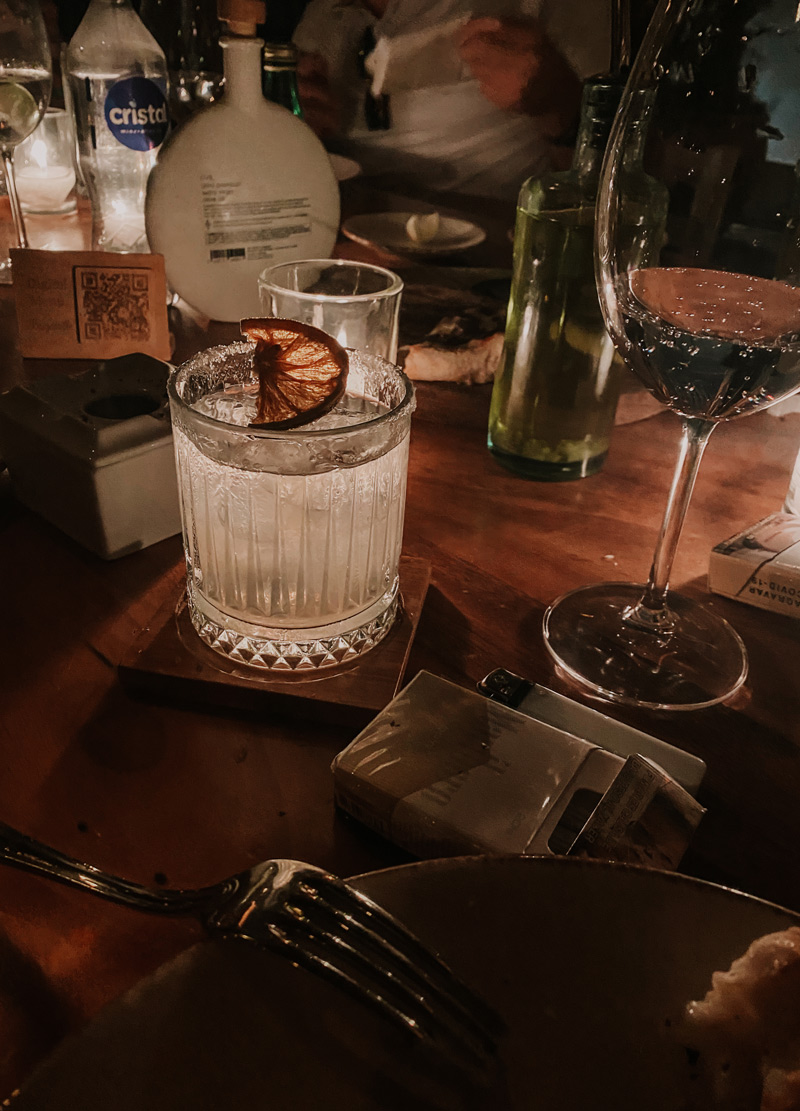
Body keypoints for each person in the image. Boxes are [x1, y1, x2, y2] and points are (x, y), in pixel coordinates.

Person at [293, 0, 612, 201]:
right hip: (340, 227)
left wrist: (558, 101)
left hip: (484, 253)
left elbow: (627, 179)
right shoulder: (321, 12)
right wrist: (291, 120)